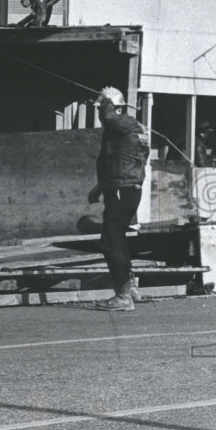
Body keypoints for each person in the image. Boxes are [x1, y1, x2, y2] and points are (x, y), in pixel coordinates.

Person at [87, 86, 150, 311]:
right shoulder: (125, 130)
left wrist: (106, 103)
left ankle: (122, 296)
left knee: (111, 239)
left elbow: (109, 118)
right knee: (116, 237)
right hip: (122, 188)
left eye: (101, 108)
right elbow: (118, 161)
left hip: (122, 190)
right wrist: (100, 186)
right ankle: (129, 287)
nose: (100, 115)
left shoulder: (124, 124)